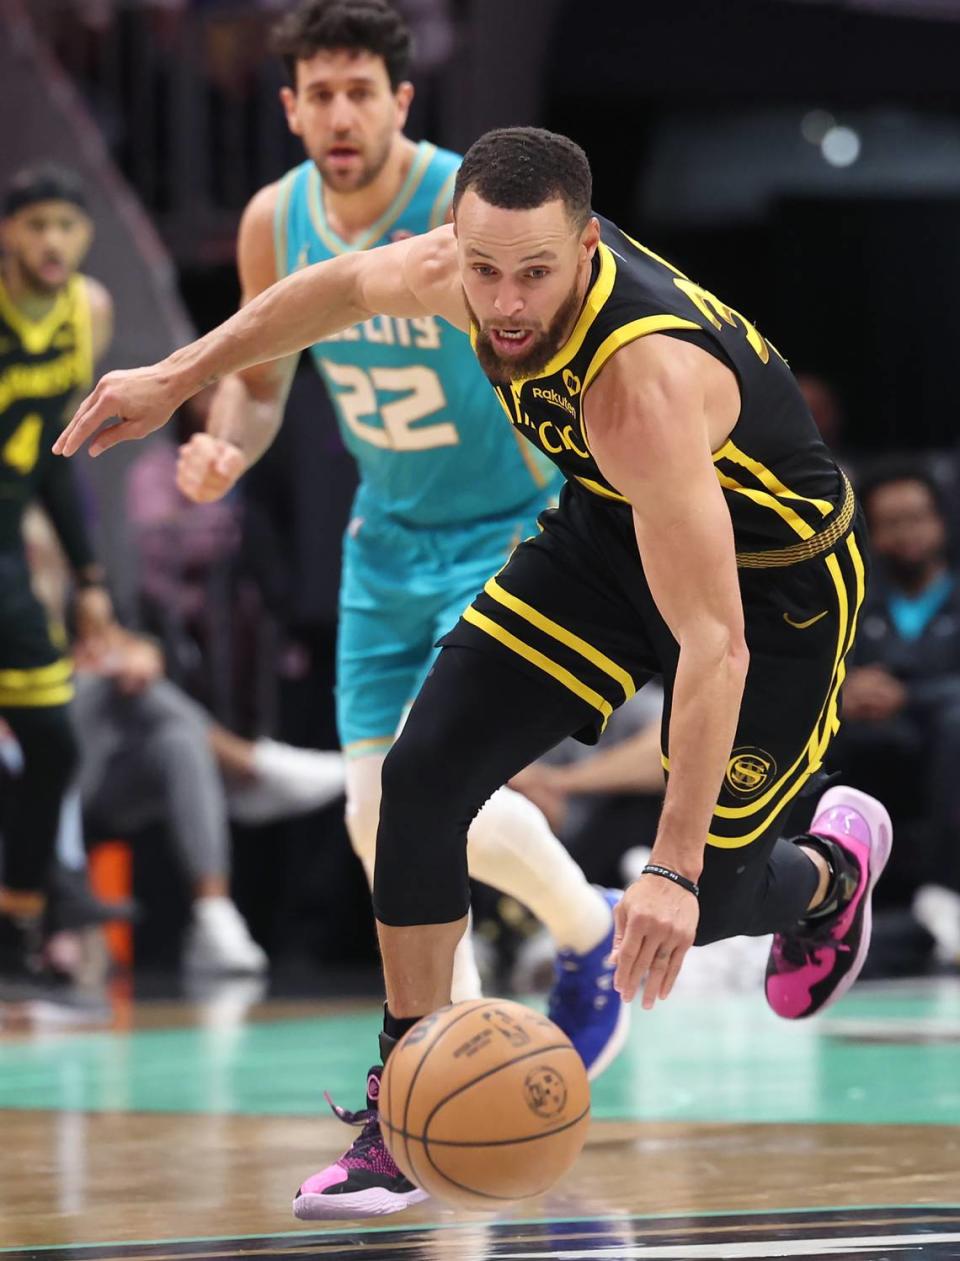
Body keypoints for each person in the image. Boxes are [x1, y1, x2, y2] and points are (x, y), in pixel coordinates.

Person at [57, 126, 893, 1218]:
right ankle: (402, 1107)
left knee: (718, 893)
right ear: (457, 240)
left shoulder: (641, 383)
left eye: (535, 273)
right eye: (485, 267)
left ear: (587, 248)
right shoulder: (469, 266)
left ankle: (830, 872)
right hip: (606, 533)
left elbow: (713, 643)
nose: (504, 302)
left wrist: (674, 870)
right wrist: (177, 376)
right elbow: (336, 290)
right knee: (420, 780)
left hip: (772, 594)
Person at [182, 0, 625, 1143]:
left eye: (358, 91)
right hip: (386, 539)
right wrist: (230, 436)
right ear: (290, 107)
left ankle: (579, 942)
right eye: (318, 93)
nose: (338, 112)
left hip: (510, 528)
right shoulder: (273, 221)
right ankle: (474, 1076)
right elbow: (263, 375)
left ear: (400, 101)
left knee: (437, 793)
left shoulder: (458, 206)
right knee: (380, 824)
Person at [0, 162, 118, 998]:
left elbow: (55, 458)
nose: (52, 242)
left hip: (8, 546)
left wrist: (89, 576)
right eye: (35, 224)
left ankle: (20, 926)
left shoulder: (89, 312)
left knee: (53, 739)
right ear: (8, 232)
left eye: (65, 226)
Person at [834, 460, 960, 962]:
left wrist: (911, 695)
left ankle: (946, 892)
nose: (907, 533)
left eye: (917, 517)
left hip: (943, 737)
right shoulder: (856, 599)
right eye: (892, 522)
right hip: (870, 738)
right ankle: (792, 895)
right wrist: (843, 688)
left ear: (942, 521)